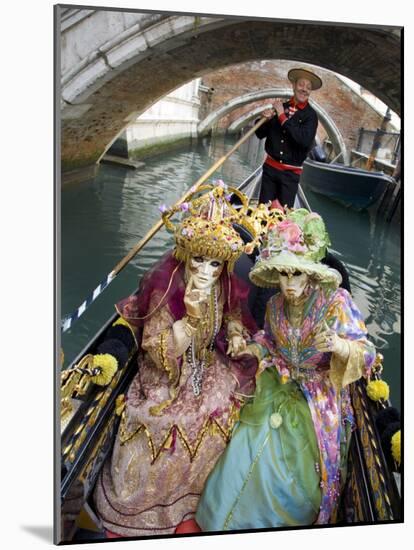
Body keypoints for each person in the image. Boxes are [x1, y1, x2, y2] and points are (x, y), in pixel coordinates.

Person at [93, 183, 259, 537]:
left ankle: (203, 497)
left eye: (215, 263)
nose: (206, 271)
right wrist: (191, 321)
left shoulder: (224, 283)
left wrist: (233, 334)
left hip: (204, 364)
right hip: (165, 374)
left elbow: (231, 314)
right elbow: (155, 348)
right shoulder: (164, 283)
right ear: (185, 254)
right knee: (162, 420)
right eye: (199, 259)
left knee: (225, 406)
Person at [196, 208, 376, 530]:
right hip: (276, 380)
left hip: (317, 399)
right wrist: (251, 347)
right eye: (283, 273)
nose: (289, 283)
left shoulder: (336, 302)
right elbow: (269, 340)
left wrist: (339, 345)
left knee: (290, 467)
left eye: (296, 274)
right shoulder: (274, 305)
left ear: (310, 273)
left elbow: (367, 354)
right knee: (243, 437)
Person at [256, 68, 322, 207]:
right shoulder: (281, 107)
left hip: (290, 176)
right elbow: (259, 134)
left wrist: (282, 117)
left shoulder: (311, 116)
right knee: (262, 214)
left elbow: (303, 141)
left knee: (283, 222)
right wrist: (264, 119)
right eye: (301, 85)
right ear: (293, 86)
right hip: (270, 171)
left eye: (308, 87)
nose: (304, 89)